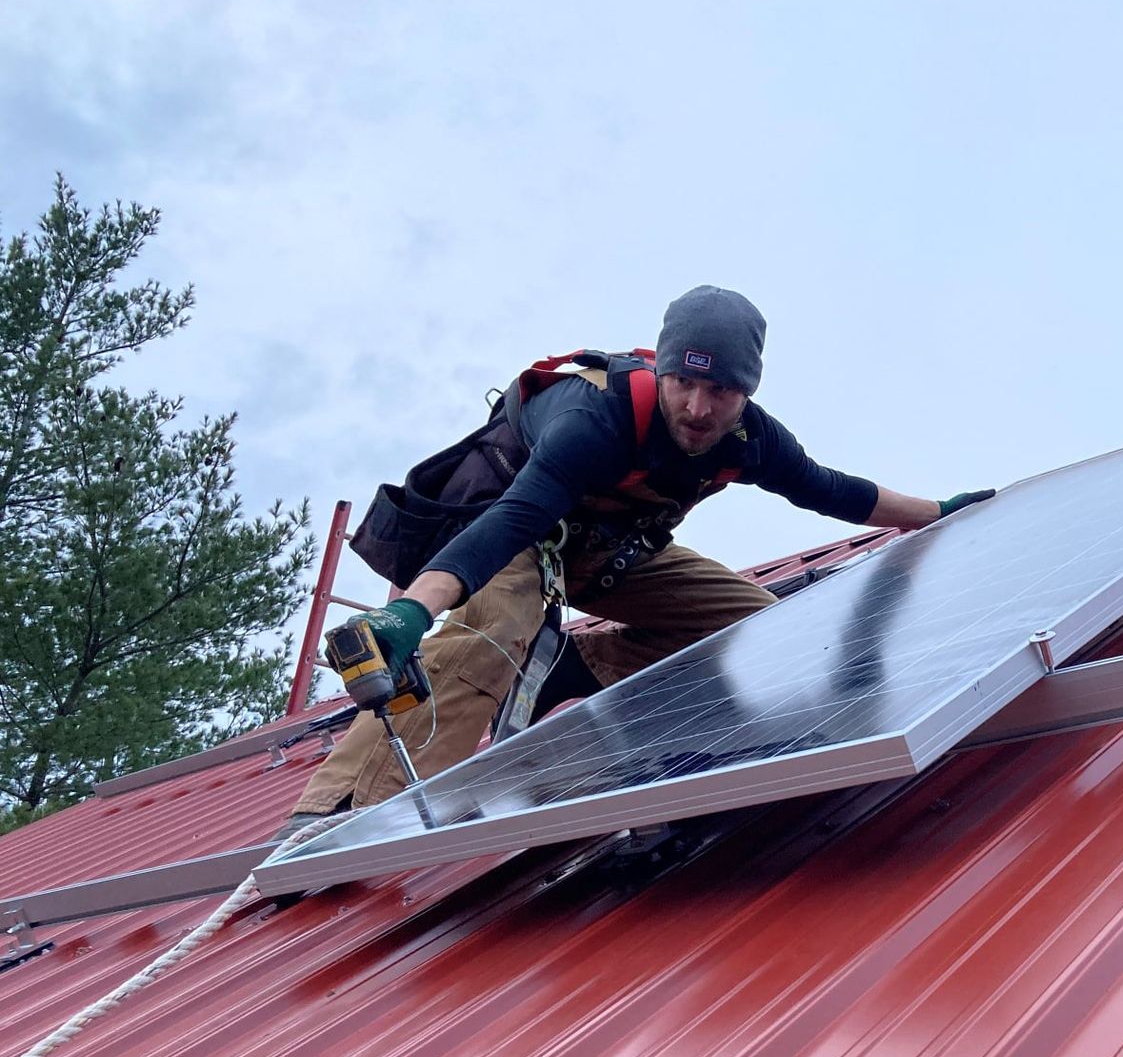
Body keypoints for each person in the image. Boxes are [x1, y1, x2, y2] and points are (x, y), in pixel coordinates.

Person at [278, 285, 992, 838]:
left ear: (747, 393)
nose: (700, 407)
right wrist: (412, 610)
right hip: (510, 536)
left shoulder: (749, 440)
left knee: (764, 624)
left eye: (723, 391)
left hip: (610, 554)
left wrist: (937, 513)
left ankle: (575, 668)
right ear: (667, 369)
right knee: (497, 629)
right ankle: (341, 812)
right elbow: (515, 519)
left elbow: (832, 490)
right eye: (687, 381)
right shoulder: (596, 419)